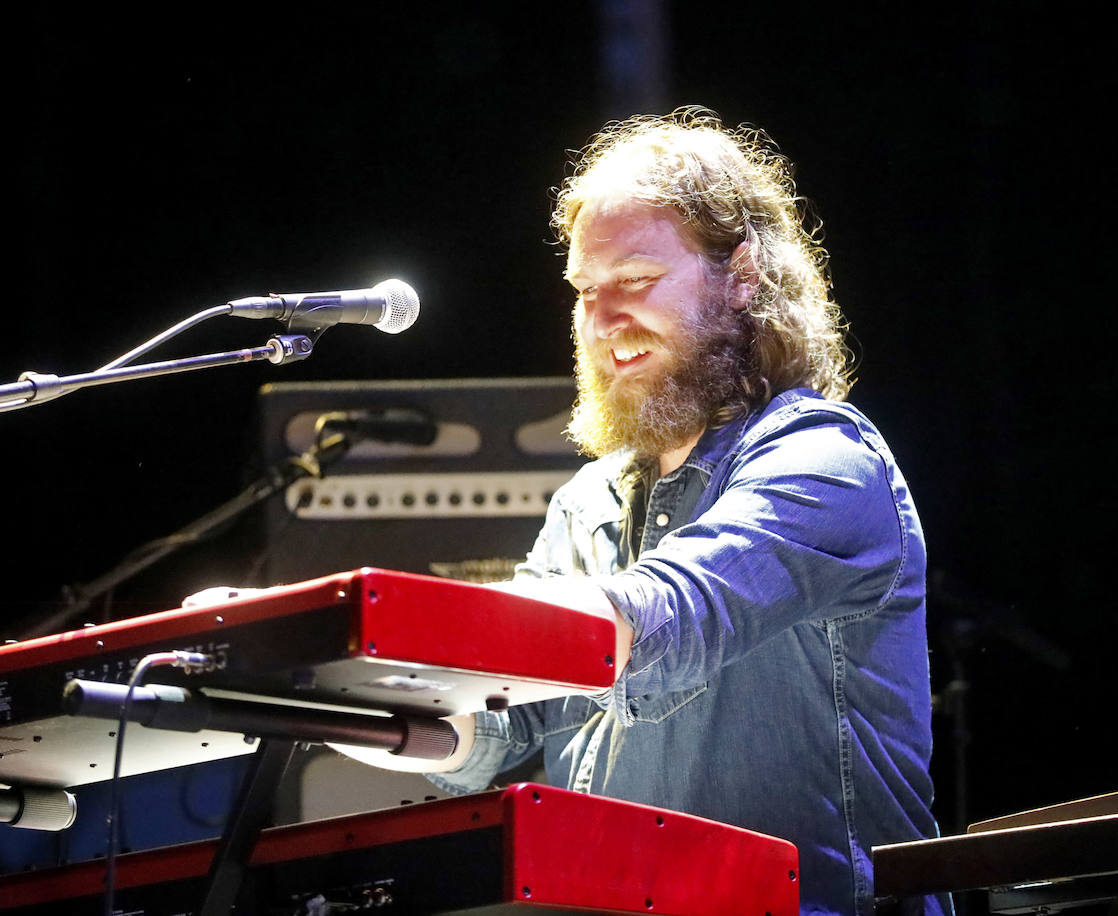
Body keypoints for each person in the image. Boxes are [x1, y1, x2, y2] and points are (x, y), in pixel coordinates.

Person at [338, 108, 946, 916]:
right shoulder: (586, 501)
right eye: (585, 292)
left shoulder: (826, 458)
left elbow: (668, 612)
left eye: (633, 281)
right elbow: (498, 729)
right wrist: (324, 694)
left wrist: (376, 619)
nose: (600, 322)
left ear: (742, 274)